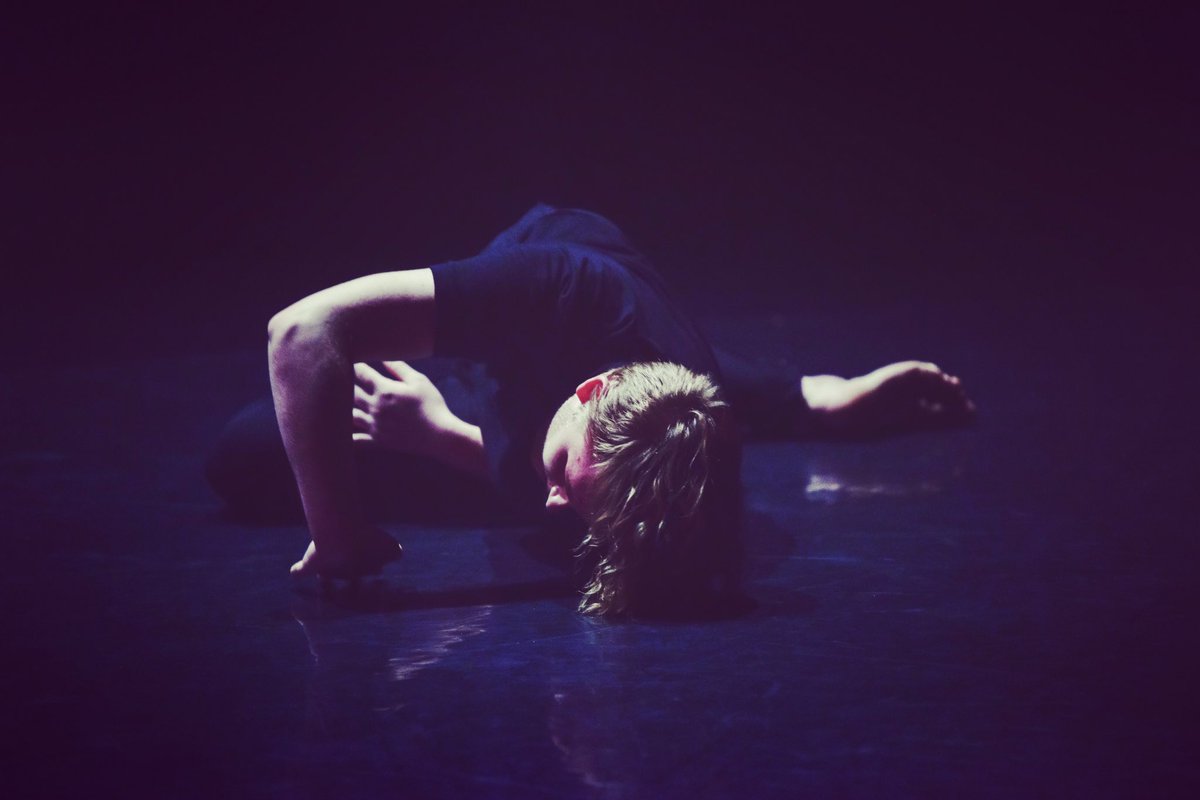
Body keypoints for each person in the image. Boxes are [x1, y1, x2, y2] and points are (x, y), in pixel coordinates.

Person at [207, 204, 973, 616]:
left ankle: (818, 393)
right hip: (542, 306)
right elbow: (302, 333)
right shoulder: (548, 287)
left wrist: (443, 437)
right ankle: (810, 393)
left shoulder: (689, 426)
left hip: (645, 366)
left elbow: (707, 400)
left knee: (708, 389)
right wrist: (339, 538)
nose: (549, 503)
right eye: (565, 479)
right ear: (585, 395)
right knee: (246, 455)